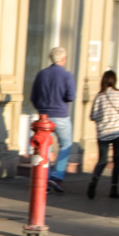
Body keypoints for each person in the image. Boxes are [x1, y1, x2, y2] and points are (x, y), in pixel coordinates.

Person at [29, 46, 76, 192]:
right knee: (66, 144)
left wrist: (41, 109)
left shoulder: (41, 74)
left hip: (44, 117)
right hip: (61, 115)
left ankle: (45, 177)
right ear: (63, 59)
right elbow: (71, 97)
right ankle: (57, 177)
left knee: (45, 148)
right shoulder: (67, 75)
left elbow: (33, 97)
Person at [87, 70, 119, 199]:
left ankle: (94, 181)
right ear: (114, 81)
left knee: (102, 160)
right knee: (117, 160)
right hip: (118, 132)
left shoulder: (99, 96)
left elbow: (93, 116)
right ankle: (114, 188)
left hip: (103, 133)